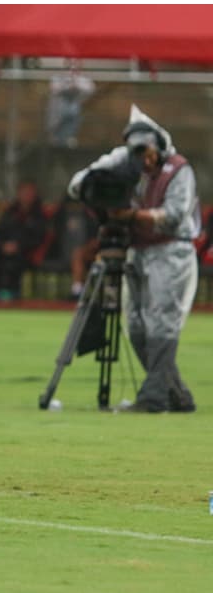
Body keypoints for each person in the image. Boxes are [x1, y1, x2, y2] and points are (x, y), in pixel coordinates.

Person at [68, 104, 200, 413]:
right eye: (138, 152)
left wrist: (132, 215)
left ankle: (153, 399)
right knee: (138, 327)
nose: (145, 159)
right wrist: (101, 180)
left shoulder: (179, 169)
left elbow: (174, 216)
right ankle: (178, 395)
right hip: (137, 250)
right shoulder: (124, 160)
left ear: (159, 147)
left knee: (161, 323)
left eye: (148, 151)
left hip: (171, 251)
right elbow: (77, 184)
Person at [0, 180, 49, 301]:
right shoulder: (10, 212)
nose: (26, 195)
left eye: (30, 192)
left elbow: (39, 238)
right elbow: (0, 232)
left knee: (14, 262)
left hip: (26, 252)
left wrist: (18, 246)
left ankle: (13, 294)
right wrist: (3, 246)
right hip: (5, 250)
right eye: (24, 192)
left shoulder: (39, 214)